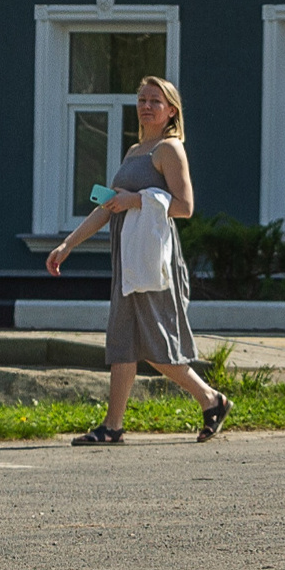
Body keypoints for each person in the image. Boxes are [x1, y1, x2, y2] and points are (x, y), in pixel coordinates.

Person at [44, 75, 232, 444]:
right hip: (128, 258)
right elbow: (108, 207)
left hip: (152, 260)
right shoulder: (134, 152)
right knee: (123, 342)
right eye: (142, 99)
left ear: (171, 111)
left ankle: (211, 399)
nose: (146, 106)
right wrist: (67, 245)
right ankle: (113, 427)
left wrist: (138, 200)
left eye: (155, 101)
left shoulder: (169, 149)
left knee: (154, 344)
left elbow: (185, 207)